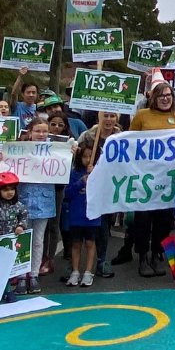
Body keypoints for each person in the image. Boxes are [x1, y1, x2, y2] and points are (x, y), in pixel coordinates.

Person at [129, 79, 175, 277]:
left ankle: (157, 253)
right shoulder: (142, 116)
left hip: (169, 180)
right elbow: (129, 142)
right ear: (153, 97)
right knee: (143, 219)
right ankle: (142, 258)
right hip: (145, 178)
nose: (165, 99)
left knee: (163, 220)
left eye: (169, 95)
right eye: (161, 95)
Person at [76, 111, 120, 278]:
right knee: (79, 224)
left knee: (103, 225)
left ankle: (101, 260)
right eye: (105, 116)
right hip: (86, 186)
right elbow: (76, 158)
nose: (108, 120)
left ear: (116, 118)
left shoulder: (121, 138)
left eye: (112, 116)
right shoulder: (87, 137)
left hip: (108, 187)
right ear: (99, 117)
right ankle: (74, 264)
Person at [19, 118, 57, 291]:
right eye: (37, 131)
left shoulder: (56, 150)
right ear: (30, 132)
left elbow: (63, 170)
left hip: (44, 199)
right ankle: (20, 274)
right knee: (22, 238)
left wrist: (71, 154)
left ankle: (33, 274)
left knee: (38, 240)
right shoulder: (19, 149)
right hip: (23, 199)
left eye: (44, 131)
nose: (41, 135)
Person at [0, 172, 28, 301]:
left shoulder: (17, 205)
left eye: (12, 189)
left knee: (8, 269)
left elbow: (24, 215)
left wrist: (21, 226)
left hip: (11, 241)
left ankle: (7, 291)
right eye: (6, 190)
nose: (10, 192)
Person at [64, 141, 100, 287]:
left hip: (92, 215)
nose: (87, 159)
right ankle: (75, 271)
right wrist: (81, 182)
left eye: (90, 157)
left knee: (90, 243)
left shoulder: (99, 174)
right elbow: (67, 193)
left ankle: (88, 272)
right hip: (76, 215)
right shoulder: (74, 173)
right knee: (76, 244)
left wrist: (94, 178)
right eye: (85, 156)